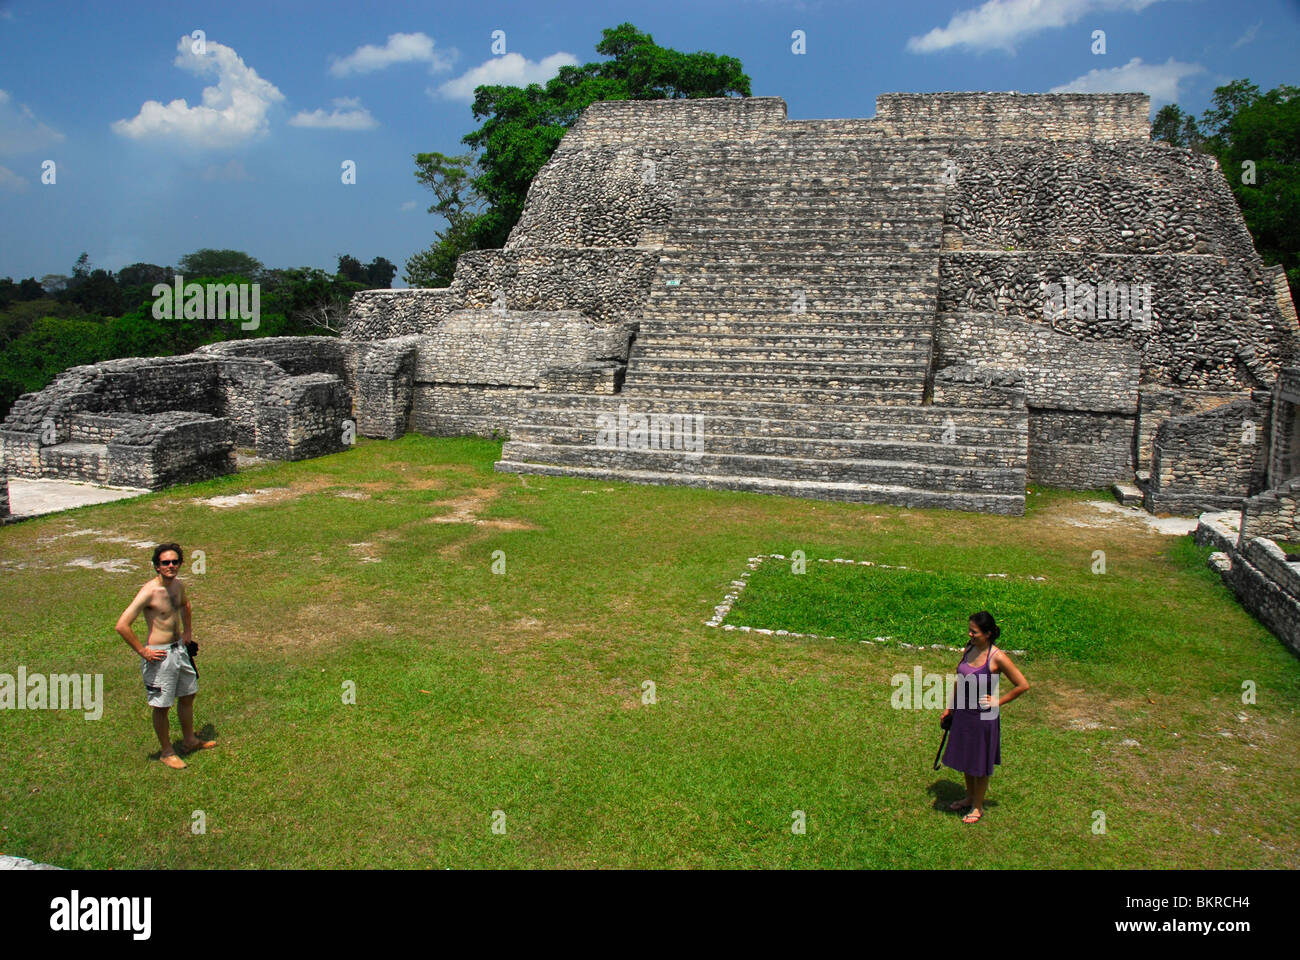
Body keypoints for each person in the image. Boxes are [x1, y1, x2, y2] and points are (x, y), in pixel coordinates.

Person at [115, 543, 215, 769]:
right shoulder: (149, 592)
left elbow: (185, 604)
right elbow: (122, 625)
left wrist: (187, 632)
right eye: (165, 563)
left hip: (179, 650)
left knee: (188, 694)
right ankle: (166, 751)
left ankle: (189, 740)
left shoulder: (178, 586)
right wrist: (143, 651)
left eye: (174, 562)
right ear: (156, 567)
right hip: (160, 657)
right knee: (162, 706)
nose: (170, 566)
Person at [939, 611, 1029, 824]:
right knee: (966, 758)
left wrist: (997, 701)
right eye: (969, 630)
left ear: (988, 634)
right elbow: (959, 680)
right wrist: (950, 707)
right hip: (963, 713)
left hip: (983, 718)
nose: (970, 634)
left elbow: (1023, 685)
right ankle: (969, 796)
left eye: (975, 632)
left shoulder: (997, 657)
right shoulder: (969, 649)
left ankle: (977, 807)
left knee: (979, 762)